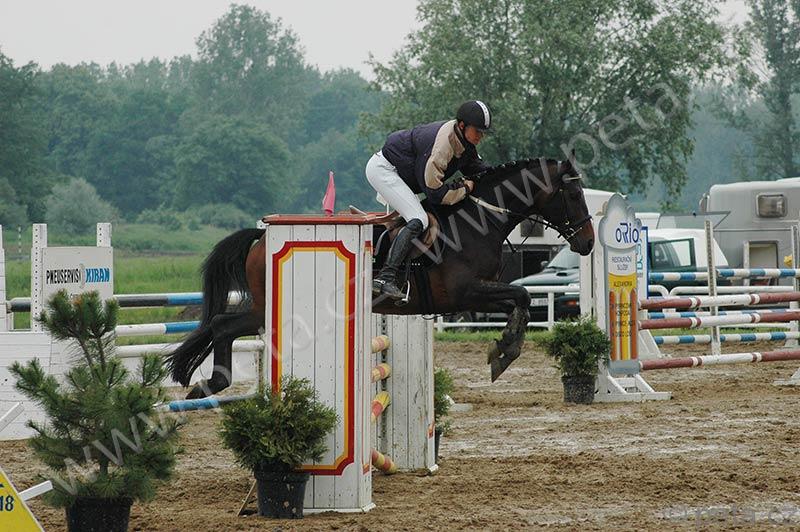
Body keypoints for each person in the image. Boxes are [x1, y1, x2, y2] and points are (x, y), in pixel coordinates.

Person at [366, 100, 493, 300]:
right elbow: (435, 194)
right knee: (419, 219)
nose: (480, 136)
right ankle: (385, 277)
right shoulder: (442, 146)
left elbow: (480, 171)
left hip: (404, 174)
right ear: (462, 126)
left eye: (482, 132)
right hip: (385, 170)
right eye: (477, 131)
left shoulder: (465, 143)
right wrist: (465, 188)